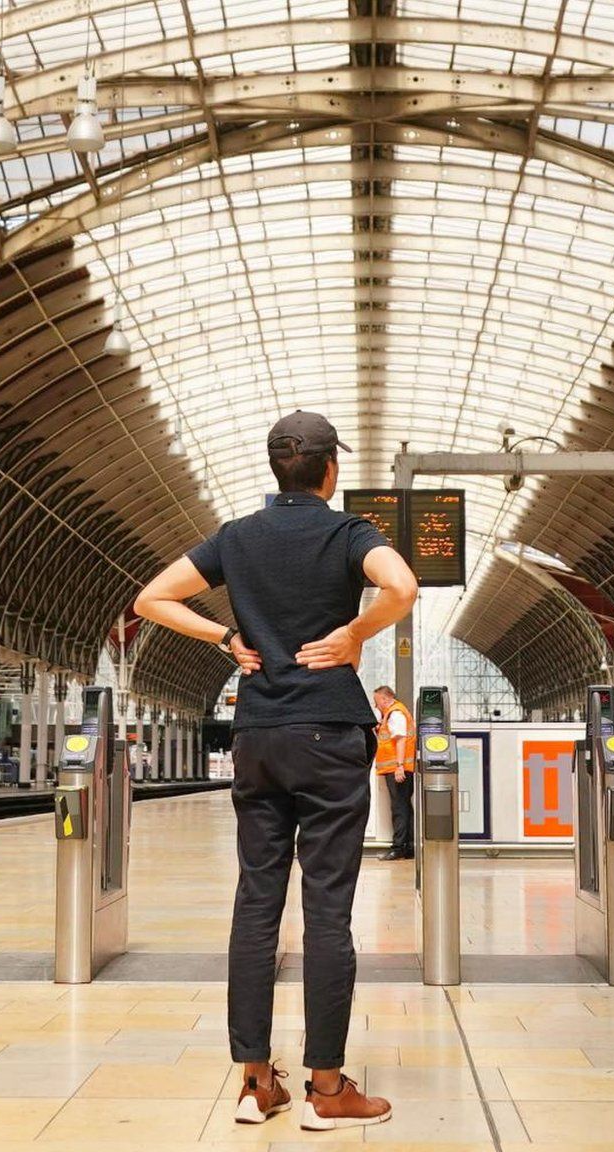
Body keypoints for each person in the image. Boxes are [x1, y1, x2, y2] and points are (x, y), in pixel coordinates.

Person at [134, 411, 418, 1131]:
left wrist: (226, 636)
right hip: (327, 734)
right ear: (329, 470)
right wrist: (354, 633)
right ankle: (327, 1088)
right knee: (327, 907)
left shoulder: (237, 537)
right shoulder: (349, 532)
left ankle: (256, 1084)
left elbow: (152, 599)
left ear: (274, 468)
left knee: (256, 904)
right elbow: (404, 586)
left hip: (258, 732)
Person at [372, 686, 414, 860]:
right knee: (404, 807)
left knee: (399, 808)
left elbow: (400, 740)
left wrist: (399, 766)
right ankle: (409, 847)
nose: (376, 706)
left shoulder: (395, 713)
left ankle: (398, 848)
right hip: (401, 768)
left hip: (398, 769)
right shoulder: (392, 714)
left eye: (377, 702)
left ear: (385, 699)